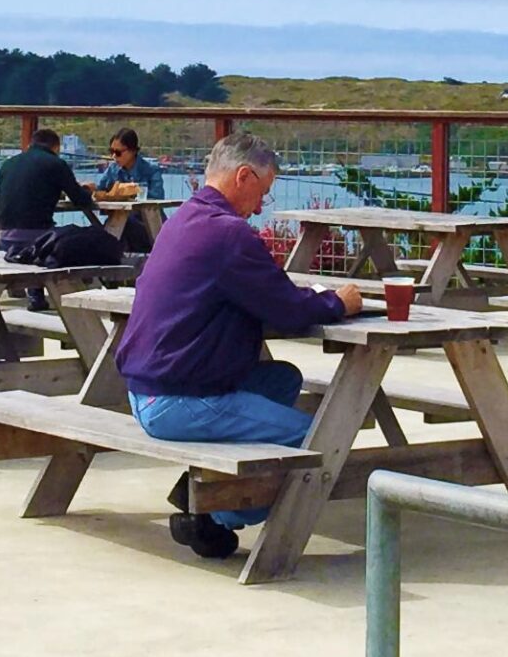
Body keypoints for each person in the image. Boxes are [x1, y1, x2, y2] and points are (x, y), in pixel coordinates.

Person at [115, 131, 363, 559]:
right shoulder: (228, 233)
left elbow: (264, 295)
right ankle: (211, 511)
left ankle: (211, 487)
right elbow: (286, 308)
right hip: (178, 398)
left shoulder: (184, 219)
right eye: (263, 192)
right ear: (244, 176)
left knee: (282, 379)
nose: (262, 206)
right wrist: (338, 303)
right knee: (318, 441)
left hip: (148, 389)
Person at [0, 127, 119, 270]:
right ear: (56, 147)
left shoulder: (8, 164)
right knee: (95, 236)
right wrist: (87, 189)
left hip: (4, 239)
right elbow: (81, 200)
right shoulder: (56, 163)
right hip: (37, 240)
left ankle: (35, 292)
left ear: (30, 144)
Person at [95, 127, 166, 251]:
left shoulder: (151, 170)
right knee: (103, 231)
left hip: (148, 225)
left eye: (118, 152)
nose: (113, 156)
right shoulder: (113, 170)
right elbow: (100, 190)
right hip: (119, 221)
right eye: (111, 151)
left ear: (132, 151)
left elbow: (157, 198)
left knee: (119, 228)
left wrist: (129, 194)